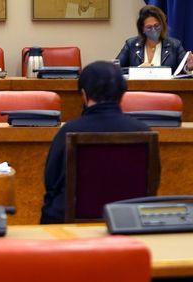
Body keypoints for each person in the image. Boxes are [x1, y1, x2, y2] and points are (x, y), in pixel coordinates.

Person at [40, 62, 153, 224]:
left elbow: (51, 184)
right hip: (129, 223)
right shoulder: (143, 131)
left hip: (69, 226)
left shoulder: (69, 130)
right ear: (122, 94)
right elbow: (151, 183)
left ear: (84, 95)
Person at [116, 5, 193, 73]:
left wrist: (189, 67)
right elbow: (116, 69)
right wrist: (138, 69)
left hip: (167, 88)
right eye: (149, 27)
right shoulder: (131, 45)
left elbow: (183, 69)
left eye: (156, 26)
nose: (153, 30)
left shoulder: (175, 45)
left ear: (162, 25)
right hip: (138, 88)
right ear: (142, 29)